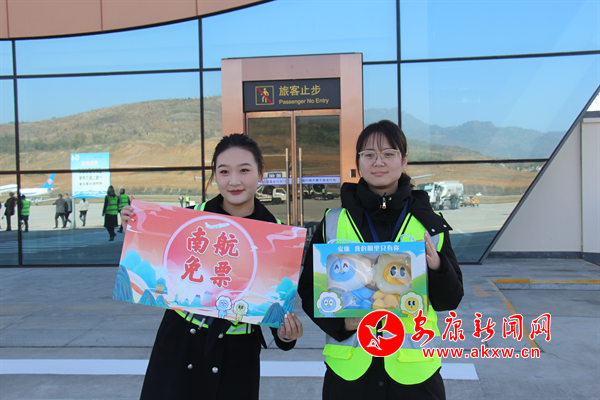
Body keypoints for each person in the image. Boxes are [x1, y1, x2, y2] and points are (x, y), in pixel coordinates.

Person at [121, 133, 304, 400]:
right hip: (180, 348)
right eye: (224, 171)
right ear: (215, 175)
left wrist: (287, 335)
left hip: (237, 356)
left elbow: (274, 310)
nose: (234, 181)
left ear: (261, 173)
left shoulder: (277, 236)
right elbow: (151, 267)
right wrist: (136, 228)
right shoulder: (187, 220)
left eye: (244, 170)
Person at [298, 120, 463, 400]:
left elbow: (451, 299)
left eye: (388, 153)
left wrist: (436, 266)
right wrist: (341, 325)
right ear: (358, 162)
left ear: (404, 160)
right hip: (350, 373)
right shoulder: (333, 222)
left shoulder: (429, 224)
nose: (379, 162)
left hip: (414, 373)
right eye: (369, 154)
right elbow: (308, 292)